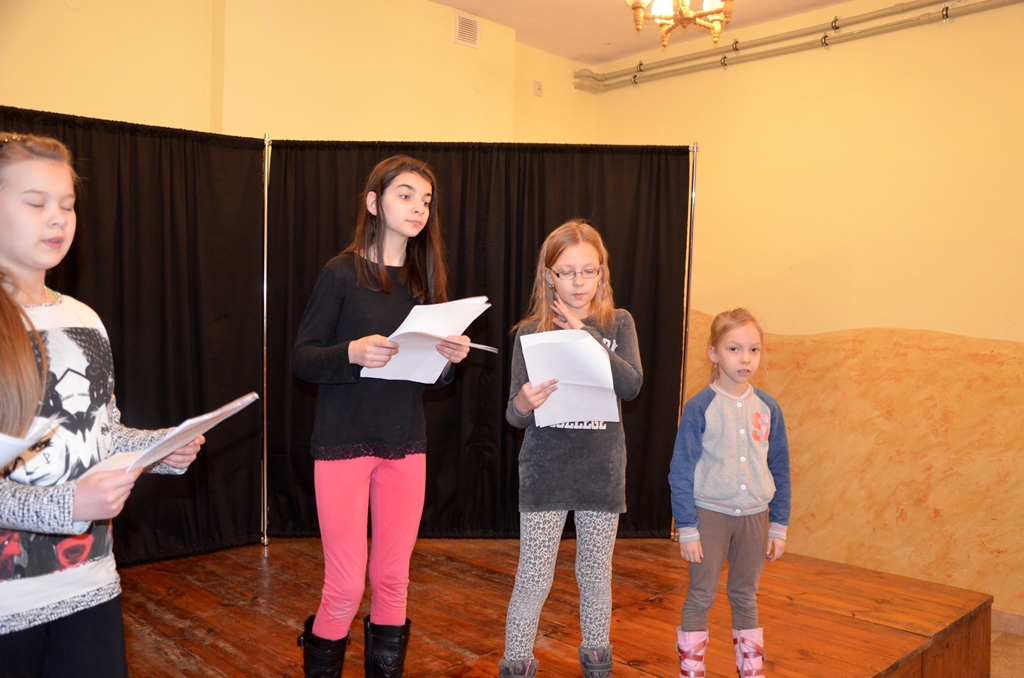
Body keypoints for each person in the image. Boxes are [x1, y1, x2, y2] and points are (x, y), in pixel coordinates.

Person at [0, 132, 204, 676]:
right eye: (36, 203)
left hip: (91, 584)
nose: (57, 218)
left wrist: (160, 449)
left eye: (66, 204)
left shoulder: (84, 319)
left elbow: (103, 431)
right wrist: (67, 504)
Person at [291, 155, 472, 678]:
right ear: (374, 203)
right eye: (406, 195)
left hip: (405, 443)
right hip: (343, 443)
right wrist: (351, 352)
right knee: (345, 586)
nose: (419, 208)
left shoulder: (425, 280)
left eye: (426, 200)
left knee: (393, 580)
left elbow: (432, 379)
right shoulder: (340, 273)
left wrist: (448, 360)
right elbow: (302, 359)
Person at [499, 220, 643, 678]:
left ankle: (597, 662)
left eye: (589, 271)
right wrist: (524, 403)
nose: (579, 282)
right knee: (533, 576)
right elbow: (514, 415)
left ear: (602, 273)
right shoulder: (529, 331)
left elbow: (632, 385)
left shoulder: (619, 323)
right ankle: (517, 664)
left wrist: (587, 336)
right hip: (546, 472)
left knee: (595, 575)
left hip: (601, 471)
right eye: (566, 272)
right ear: (549, 276)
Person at [668, 308, 792, 678]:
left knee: (745, 593)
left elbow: (780, 467)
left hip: (755, 518)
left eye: (754, 350)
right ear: (714, 353)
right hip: (710, 517)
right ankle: (692, 671)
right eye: (734, 349)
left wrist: (779, 524)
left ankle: (750, 670)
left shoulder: (769, 407)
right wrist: (687, 527)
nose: (745, 359)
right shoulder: (700, 406)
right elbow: (681, 470)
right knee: (701, 593)